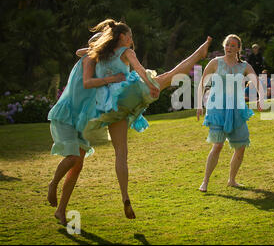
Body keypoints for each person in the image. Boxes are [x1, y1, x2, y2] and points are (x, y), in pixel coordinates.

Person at [82, 19, 212, 218]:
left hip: (109, 107)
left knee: (120, 153)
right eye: (130, 36)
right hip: (128, 93)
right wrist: (150, 84)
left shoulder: (101, 54)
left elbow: (79, 53)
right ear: (122, 37)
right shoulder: (126, 51)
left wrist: (99, 44)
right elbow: (139, 69)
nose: (131, 40)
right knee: (169, 76)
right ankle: (199, 53)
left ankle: (125, 196)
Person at [47, 33, 127, 225]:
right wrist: (113, 78)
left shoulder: (101, 63)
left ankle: (61, 210)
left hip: (83, 119)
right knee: (73, 158)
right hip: (68, 115)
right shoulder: (88, 60)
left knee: (77, 166)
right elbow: (87, 83)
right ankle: (53, 184)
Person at [196, 34, 263, 193]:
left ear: (238, 48)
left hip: (236, 109)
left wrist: (261, 98)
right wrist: (199, 104)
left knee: (241, 147)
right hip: (217, 108)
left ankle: (232, 180)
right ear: (224, 46)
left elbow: (256, 82)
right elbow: (202, 84)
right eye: (227, 45)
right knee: (217, 145)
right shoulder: (215, 63)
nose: (229, 48)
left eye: (233, 45)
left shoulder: (244, 66)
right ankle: (205, 182)